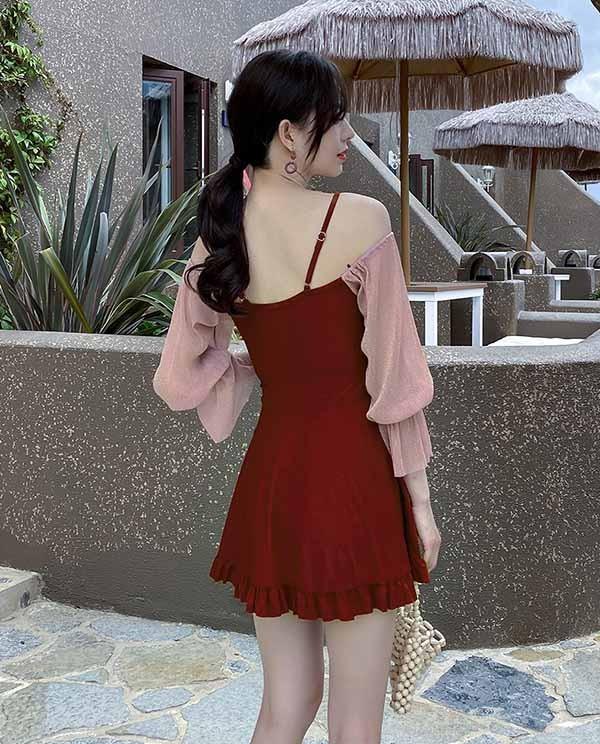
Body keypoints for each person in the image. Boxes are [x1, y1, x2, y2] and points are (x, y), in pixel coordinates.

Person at [153, 48, 442, 744]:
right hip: (354, 489)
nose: (348, 135)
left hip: (273, 489)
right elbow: (395, 382)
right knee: (355, 724)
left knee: (287, 704)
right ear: (288, 133)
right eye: (335, 119)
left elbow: (177, 377)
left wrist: (262, 365)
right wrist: (421, 505)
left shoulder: (220, 237)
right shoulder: (362, 220)